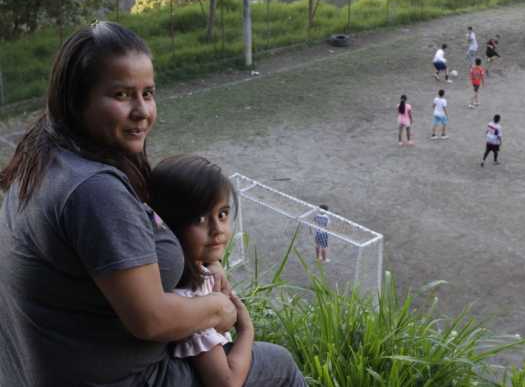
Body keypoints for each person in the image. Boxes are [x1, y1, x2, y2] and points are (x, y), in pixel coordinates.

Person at [0, 21, 297, 387]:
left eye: (149, 93)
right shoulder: (93, 189)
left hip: (40, 369)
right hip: (122, 379)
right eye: (122, 95)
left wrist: (204, 263)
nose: (142, 111)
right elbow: (151, 319)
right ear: (76, 100)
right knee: (279, 364)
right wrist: (218, 309)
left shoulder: (45, 157)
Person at [149, 155, 306, 387]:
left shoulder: (193, 272)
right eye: (200, 219)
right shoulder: (189, 304)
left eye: (222, 214)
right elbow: (227, 382)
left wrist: (213, 263)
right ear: (170, 224)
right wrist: (246, 330)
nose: (217, 230)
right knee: (280, 359)